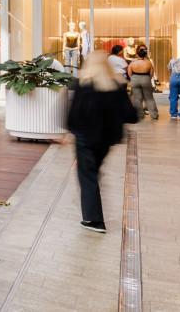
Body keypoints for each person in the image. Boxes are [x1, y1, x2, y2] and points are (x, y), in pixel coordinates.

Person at [65, 53, 138, 234]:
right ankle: (93, 209)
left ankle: (94, 219)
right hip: (106, 141)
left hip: (85, 139)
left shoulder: (84, 86)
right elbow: (131, 116)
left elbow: (74, 115)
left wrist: (70, 132)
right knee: (93, 173)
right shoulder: (116, 87)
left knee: (87, 176)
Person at [126, 46, 158, 120]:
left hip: (135, 79)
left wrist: (134, 78)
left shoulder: (132, 63)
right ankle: (154, 115)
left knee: (137, 98)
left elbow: (129, 73)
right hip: (146, 78)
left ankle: (139, 115)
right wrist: (147, 78)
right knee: (149, 98)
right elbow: (151, 74)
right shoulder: (148, 63)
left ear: (137, 54)